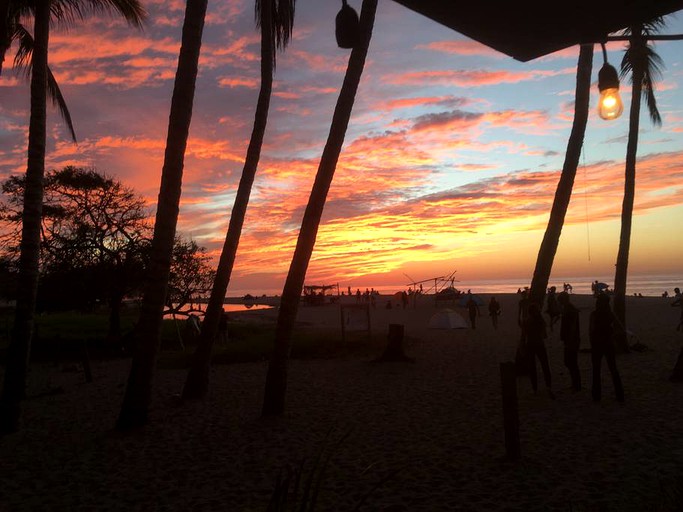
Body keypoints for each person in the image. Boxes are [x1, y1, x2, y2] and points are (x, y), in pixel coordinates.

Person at [589, 293, 624, 402]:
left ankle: (596, 396)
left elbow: (591, 330)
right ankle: (620, 395)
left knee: (596, 370)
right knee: (613, 369)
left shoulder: (594, 314)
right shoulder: (610, 314)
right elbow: (621, 328)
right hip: (608, 343)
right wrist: (612, 335)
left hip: (597, 344)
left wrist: (593, 341)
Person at [522, 302, 554, 399]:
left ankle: (535, 388)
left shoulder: (526, 321)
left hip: (530, 345)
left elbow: (524, 336)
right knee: (545, 365)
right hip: (539, 345)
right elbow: (544, 335)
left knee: (532, 367)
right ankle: (548, 385)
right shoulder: (540, 321)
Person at [558, 291, 581, 391]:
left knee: (571, 361)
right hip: (569, 338)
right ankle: (575, 383)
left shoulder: (571, 310)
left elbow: (572, 326)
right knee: (569, 361)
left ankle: (576, 384)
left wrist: (570, 339)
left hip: (571, 339)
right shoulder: (567, 309)